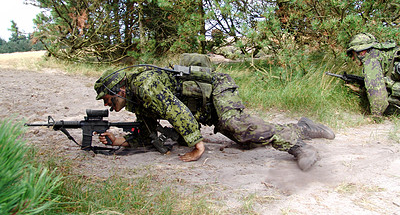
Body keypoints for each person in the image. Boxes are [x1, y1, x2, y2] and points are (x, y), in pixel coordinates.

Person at [94, 53, 335, 171]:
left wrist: (197, 144)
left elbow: (176, 109)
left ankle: (300, 146)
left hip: (216, 89)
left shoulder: (145, 85)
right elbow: (148, 132)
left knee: (237, 125)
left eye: (107, 98)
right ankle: (302, 126)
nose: (107, 105)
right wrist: (122, 141)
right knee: (246, 139)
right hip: (204, 107)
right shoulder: (137, 99)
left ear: (120, 89)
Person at [346, 32, 400, 118]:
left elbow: (377, 91)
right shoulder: (384, 55)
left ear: (362, 52)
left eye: (353, 54)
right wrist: (360, 90)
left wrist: (376, 116)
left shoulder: (371, 60)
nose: (352, 58)